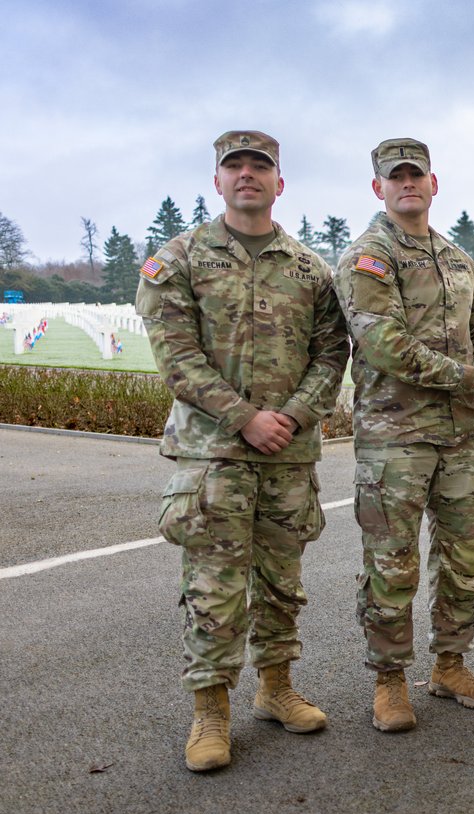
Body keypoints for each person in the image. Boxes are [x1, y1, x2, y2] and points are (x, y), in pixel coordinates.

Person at [136, 131, 350, 772]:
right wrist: (244, 418)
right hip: (214, 455)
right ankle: (210, 712)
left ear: (279, 184)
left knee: (282, 582)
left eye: (261, 167)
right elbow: (175, 356)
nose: (248, 176)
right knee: (214, 588)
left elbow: (331, 350)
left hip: (289, 452)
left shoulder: (311, 268)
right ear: (218, 182)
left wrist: (291, 416)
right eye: (236, 167)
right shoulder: (178, 259)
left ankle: (276, 688)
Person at [333, 138, 474, 733]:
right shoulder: (368, 256)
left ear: (434, 185)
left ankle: (449, 665)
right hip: (396, 438)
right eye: (396, 176)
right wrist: (468, 375)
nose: (408, 184)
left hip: (461, 435)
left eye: (417, 175)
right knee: (393, 563)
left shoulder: (458, 260)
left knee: (464, 557)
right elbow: (380, 343)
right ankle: (389, 681)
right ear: (378, 188)